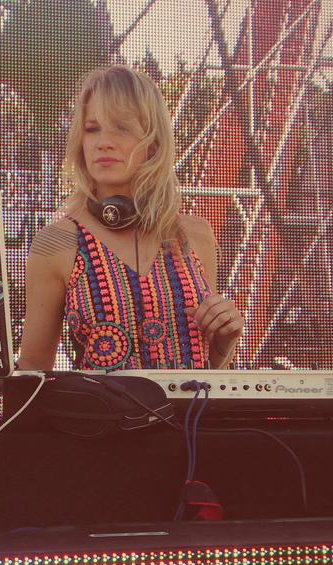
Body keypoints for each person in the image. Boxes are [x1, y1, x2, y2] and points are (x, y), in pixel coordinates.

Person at [17, 65, 243, 372]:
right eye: (92, 129)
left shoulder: (195, 236)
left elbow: (212, 370)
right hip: (98, 406)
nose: (103, 142)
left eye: (121, 128)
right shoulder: (57, 242)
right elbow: (32, 375)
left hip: (192, 407)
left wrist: (222, 345)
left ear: (153, 142)